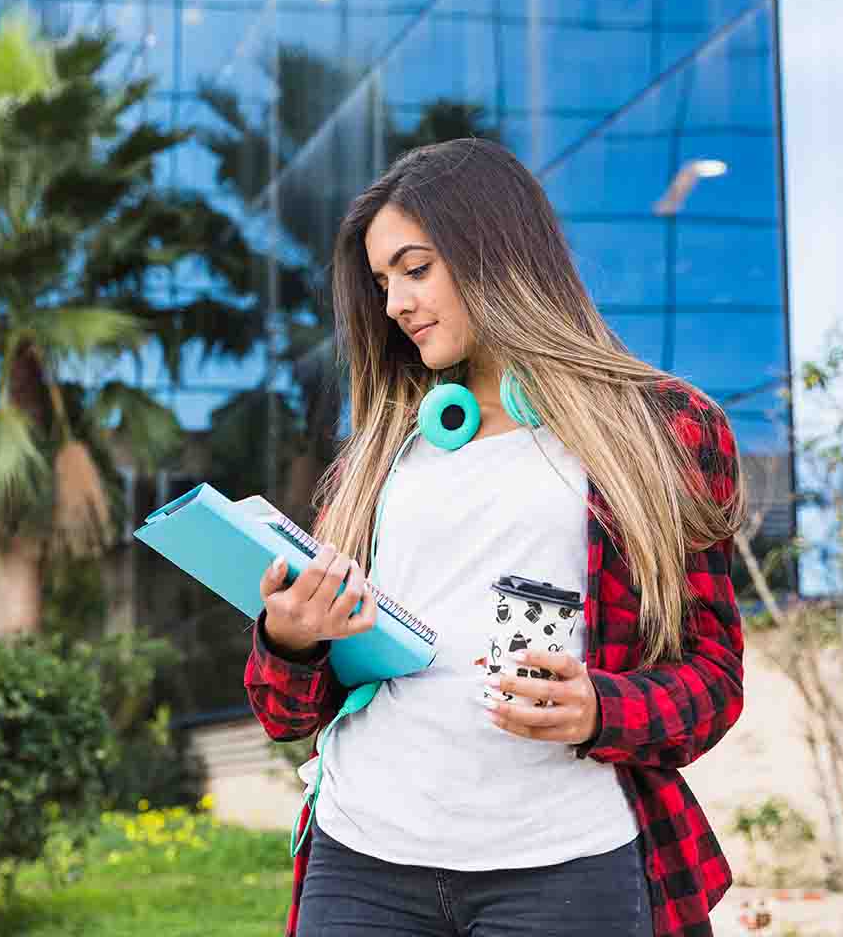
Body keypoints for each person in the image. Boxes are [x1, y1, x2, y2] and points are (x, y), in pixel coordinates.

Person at [245, 138, 746, 937]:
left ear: (496, 252)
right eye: (382, 283)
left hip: (565, 863)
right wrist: (291, 638)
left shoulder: (666, 431)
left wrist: (598, 709)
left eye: (416, 269)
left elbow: (714, 681)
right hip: (362, 853)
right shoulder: (381, 451)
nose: (396, 304)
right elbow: (283, 712)